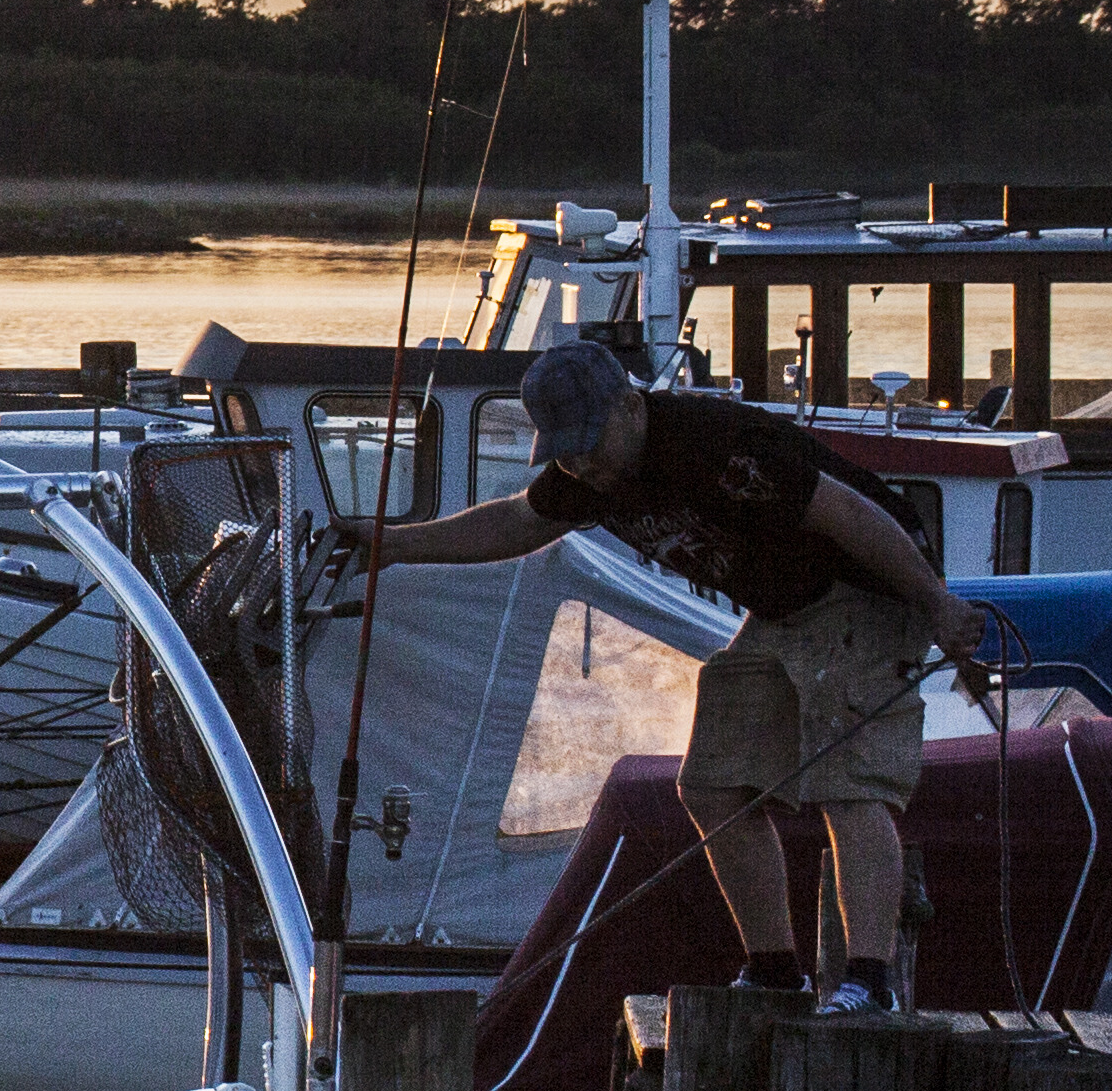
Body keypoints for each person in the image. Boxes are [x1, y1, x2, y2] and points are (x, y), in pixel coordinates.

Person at [343, 335, 996, 1016]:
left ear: (631, 406)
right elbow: (513, 523)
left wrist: (935, 602)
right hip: (786, 609)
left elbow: (850, 512)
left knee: (851, 787)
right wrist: (393, 546)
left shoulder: (717, 446)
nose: (581, 462)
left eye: (591, 440)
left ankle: (869, 981)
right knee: (713, 784)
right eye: (565, 447)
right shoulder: (584, 476)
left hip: (869, 590)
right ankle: (775, 972)